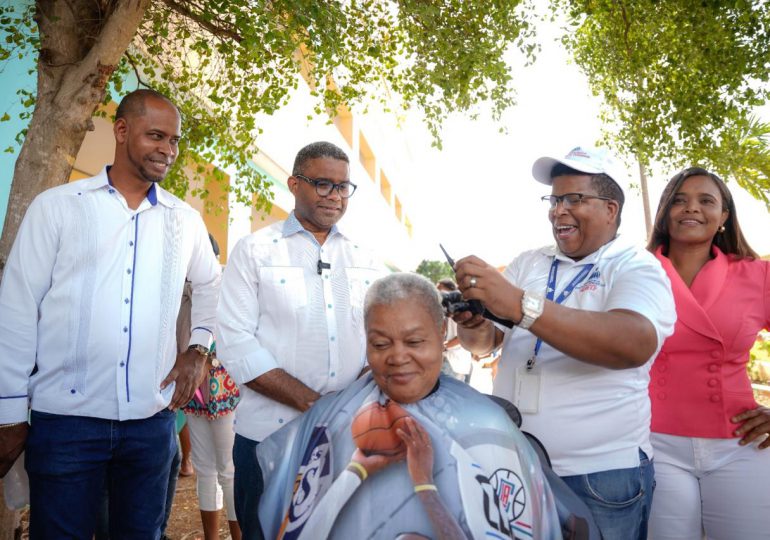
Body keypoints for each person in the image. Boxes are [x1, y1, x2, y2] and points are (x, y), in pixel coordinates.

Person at [0, 89, 221, 538]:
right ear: (121, 131)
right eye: (156, 135)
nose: (168, 150)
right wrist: (9, 414)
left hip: (150, 426)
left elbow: (214, 284)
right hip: (65, 424)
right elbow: (17, 309)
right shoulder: (58, 207)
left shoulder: (185, 219)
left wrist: (199, 348)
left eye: (175, 141)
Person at [453, 146, 676, 540]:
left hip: (599, 477)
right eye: (554, 200)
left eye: (574, 198)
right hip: (517, 463)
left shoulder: (636, 266)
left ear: (610, 209)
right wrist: (474, 321)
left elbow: (632, 343)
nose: (558, 210)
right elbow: (484, 344)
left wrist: (522, 305)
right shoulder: (529, 262)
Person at [256, 273, 562, 539]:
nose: (398, 357)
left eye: (414, 342)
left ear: (442, 334)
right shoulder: (329, 418)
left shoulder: (488, 425)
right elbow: (294, 524)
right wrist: (356, 471)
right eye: (380, 344)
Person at [216, 141, 385, 539]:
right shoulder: (255, 249)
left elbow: (377, 341)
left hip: (346, 441)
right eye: (323, 184)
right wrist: (315, 406)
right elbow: (236, 343)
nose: (335, 196)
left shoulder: (364, 258)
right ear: (294, 184)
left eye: (343, 187)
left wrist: (344, 412)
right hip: (268, 438)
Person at [646, 167, 770, 539]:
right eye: (679, 200)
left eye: (706, 201)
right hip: (654, 442)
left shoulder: (758, 276)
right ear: (665, 212)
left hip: (740, 443)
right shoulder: (635, 272)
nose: (691, 209)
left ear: (724, 217)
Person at [181, 236, 242, 540]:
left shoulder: (229, 288)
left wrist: (212, 360)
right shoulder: (180, 291)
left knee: (228, 471)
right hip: (193, 393)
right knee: (206, 470)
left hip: (224, 392)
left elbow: (240, 334)